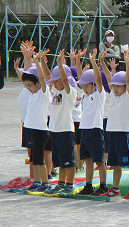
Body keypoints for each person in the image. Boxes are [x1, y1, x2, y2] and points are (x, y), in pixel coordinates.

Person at [99, 50, 129, 199]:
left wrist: (128, 64)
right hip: (112, 133)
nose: (115, 88)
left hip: (123, 133)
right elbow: (109, 77)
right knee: (115, 164)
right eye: (113, 86)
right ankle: (115, 188)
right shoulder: (113, 95)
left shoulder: (128, 96)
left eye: (118, 86)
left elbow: (128, 81)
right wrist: (102, 62)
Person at [44, 50, 77, 194]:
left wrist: (59, 64)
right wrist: (42, 63)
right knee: (61, 161)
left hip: (65, 130)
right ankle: (61, 184)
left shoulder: (69, 92)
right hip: (55, 130)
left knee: (68, 161)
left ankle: (69, 185)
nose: (54, 83)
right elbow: (47, 77)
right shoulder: (55, 91)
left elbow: (63, 80)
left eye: (57, 81)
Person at [75, 49, 107, 195]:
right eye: (83, 87)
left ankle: (103, 185)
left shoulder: (99, 94)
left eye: (87, 86)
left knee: (99, 161)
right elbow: (82, 77)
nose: (85, 89)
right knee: (88, 160)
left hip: (95, 130)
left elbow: (98, 79)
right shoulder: (86, 95)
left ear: (93, 85)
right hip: (85, 130)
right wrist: (77, 60)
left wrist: (94, 61)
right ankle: (88, 185)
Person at [22, 53, 51, 191]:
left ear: (38, 83)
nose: (28, 88)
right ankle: (37, 182)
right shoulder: (32, 92)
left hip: (40, 131)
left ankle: (45, 183)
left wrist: (36, 62)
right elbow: (28, 76)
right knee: (35, 159)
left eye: (30, 85)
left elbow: (41, 77)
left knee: (40, 160)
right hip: (33, 129)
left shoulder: (42, 93)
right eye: (26, 86)